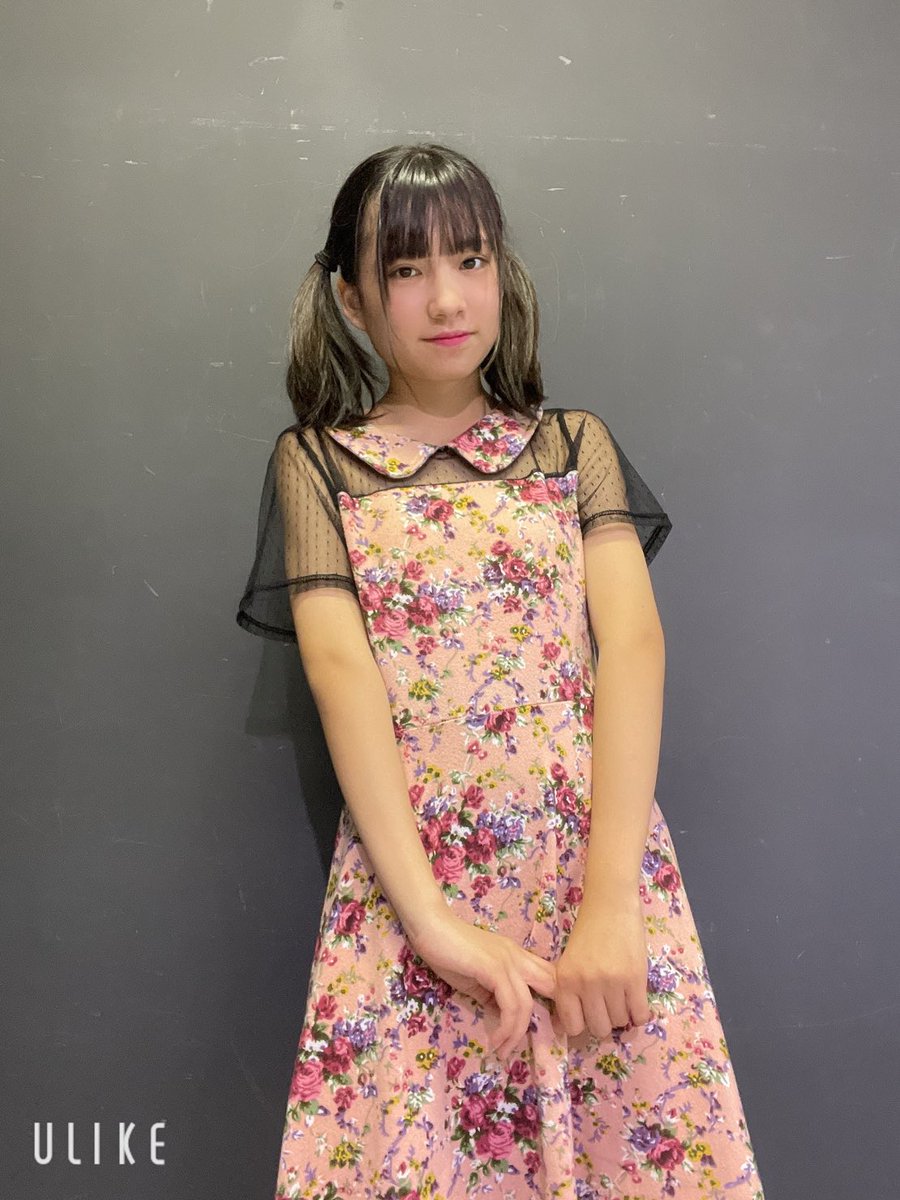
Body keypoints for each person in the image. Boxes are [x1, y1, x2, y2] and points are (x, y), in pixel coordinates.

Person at [236, 143, 765, 1200]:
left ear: (501, 271)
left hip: (591, 883)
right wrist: (435, 927)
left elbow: (635, 650)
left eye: (470, 259)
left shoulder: (572, 448)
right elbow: (341, 676)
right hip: (411, 900)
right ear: (352, 297)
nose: (446, 297)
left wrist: (610, 905)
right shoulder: (320, 465)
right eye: (405, 269)